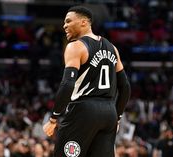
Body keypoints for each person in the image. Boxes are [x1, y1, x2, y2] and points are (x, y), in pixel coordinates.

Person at [43, 5, 131, 157]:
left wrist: (54, 118)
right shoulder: (112, 48)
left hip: (84, 111)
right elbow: (125, 87)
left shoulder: (76, 47)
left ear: (84, 22)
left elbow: (67, 84)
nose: (64, 25)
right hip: (109, 113)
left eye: (69, 21)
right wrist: (117, 117)